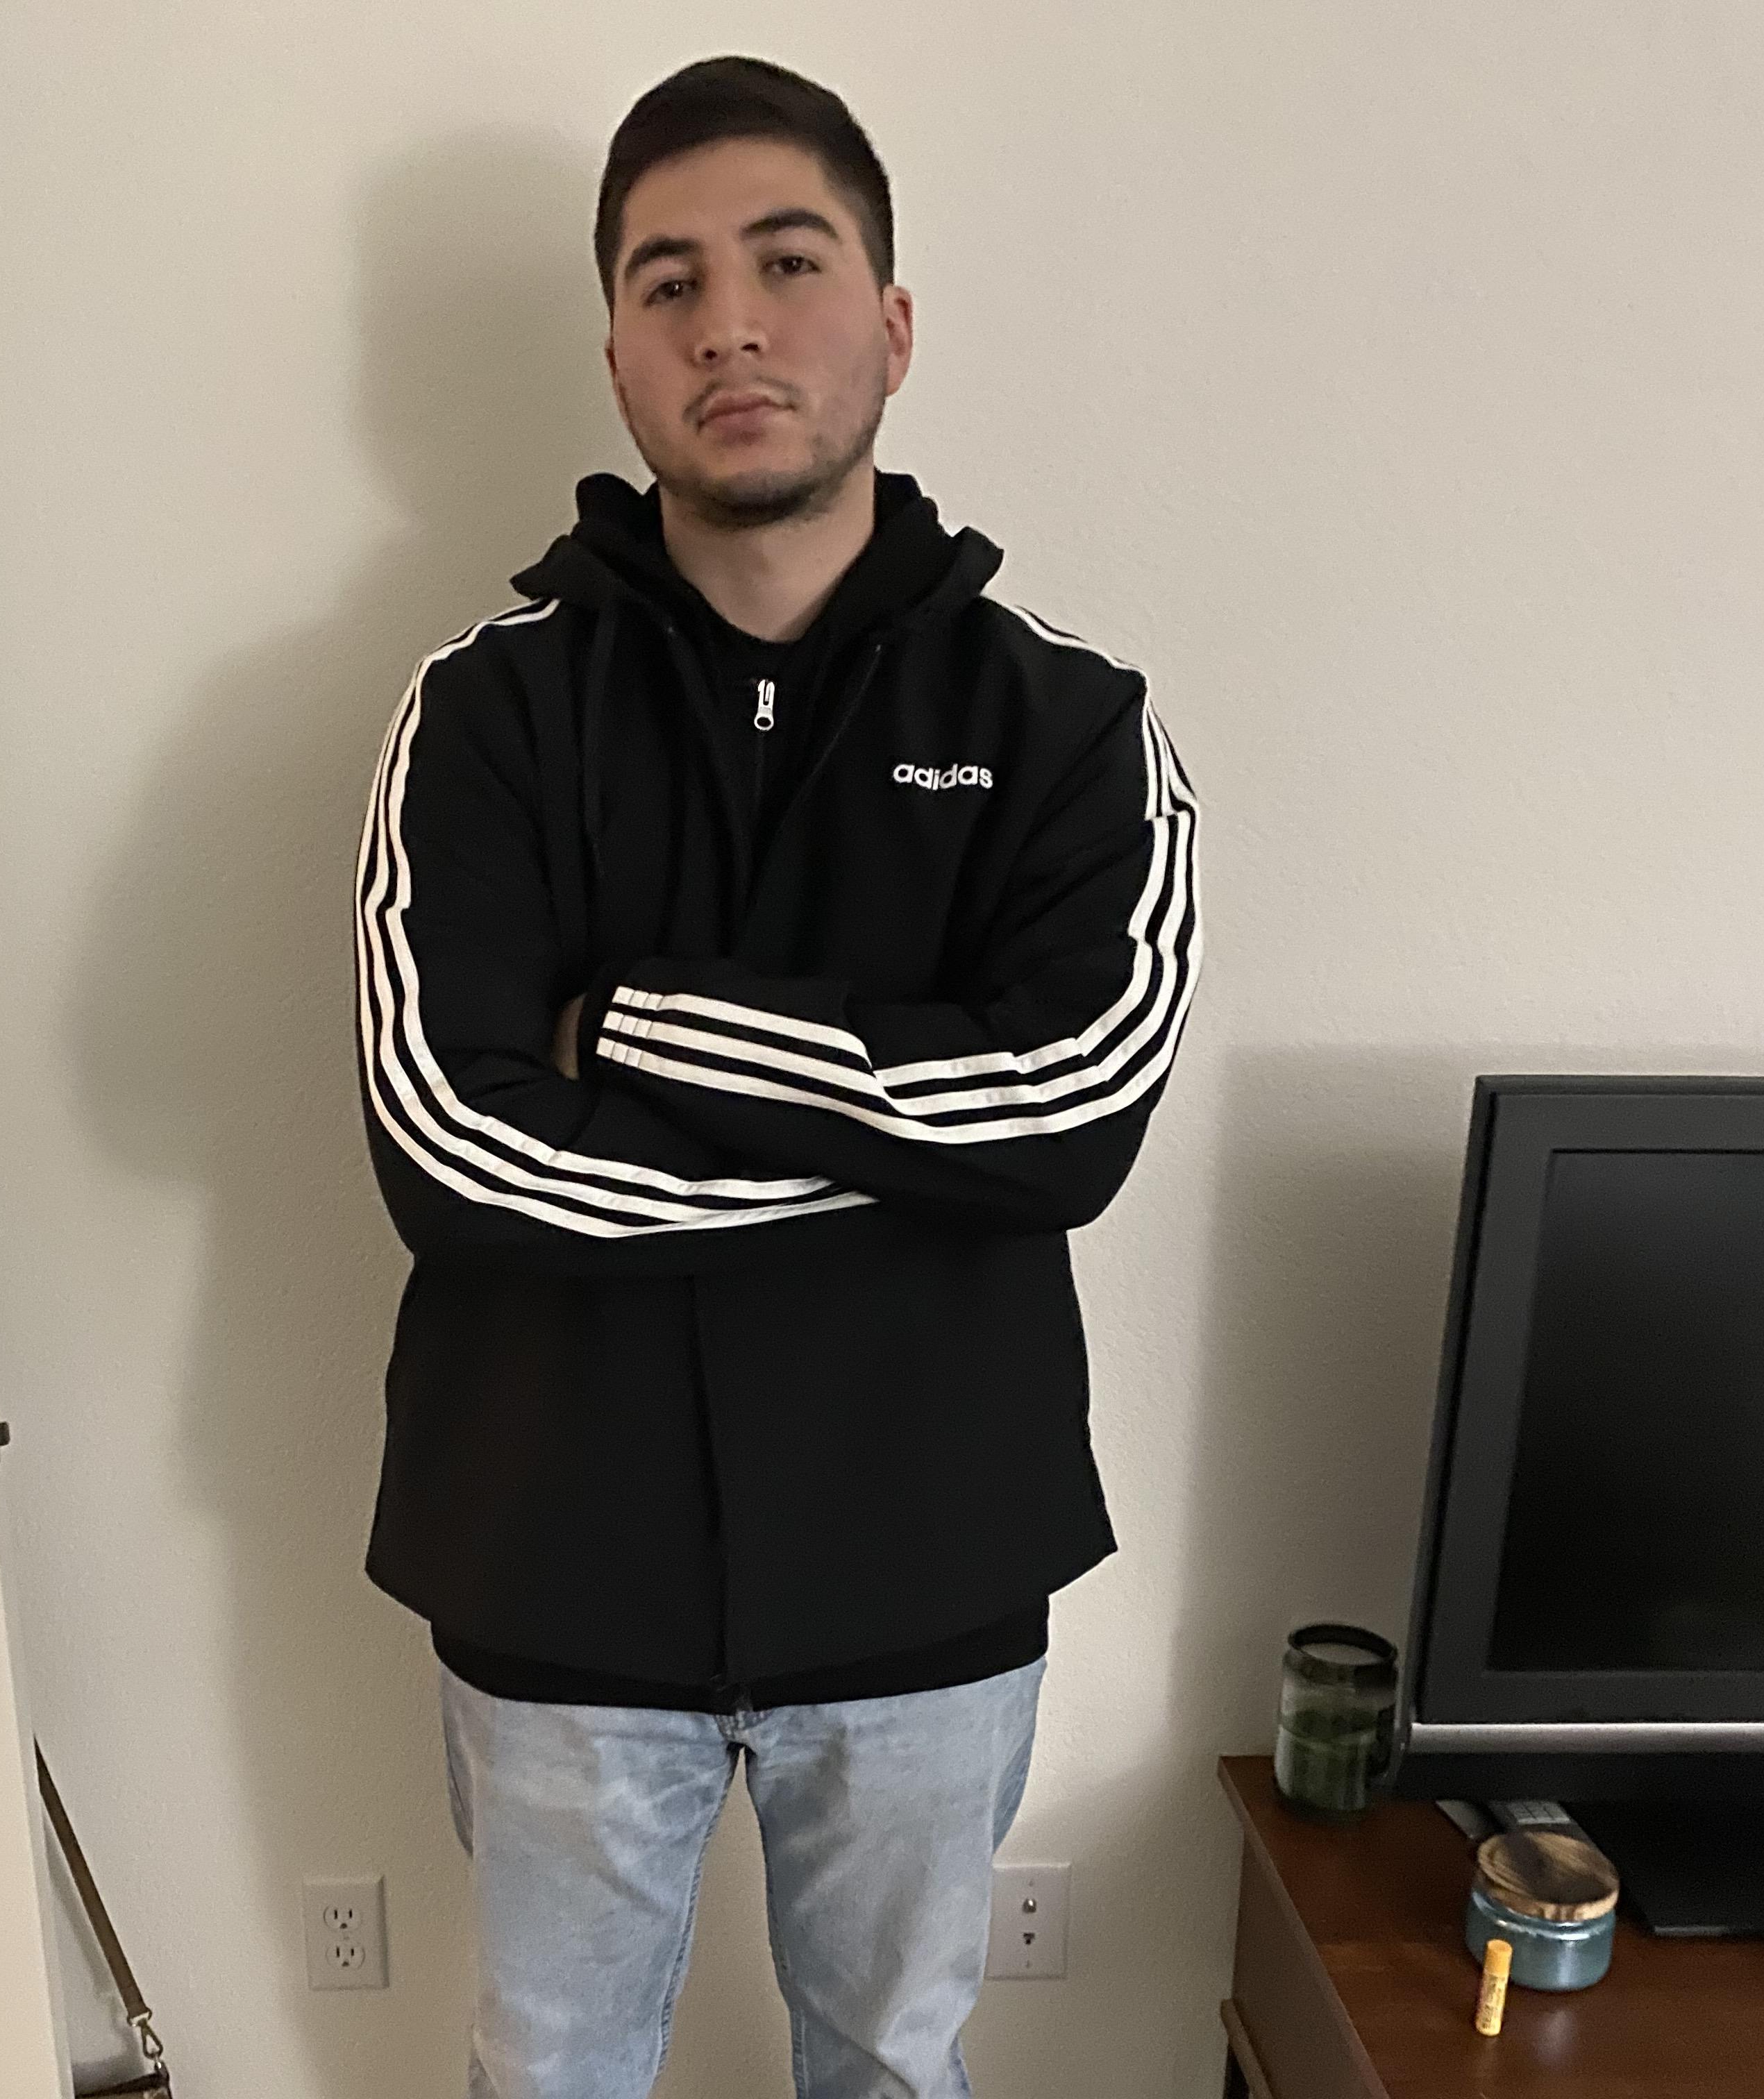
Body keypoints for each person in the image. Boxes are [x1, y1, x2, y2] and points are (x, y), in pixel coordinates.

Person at [353, 53, 1202, 2099]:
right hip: (551, 1564)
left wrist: (641, 1026)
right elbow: (452, 1149)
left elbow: (1072, 1114)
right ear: (619, 357)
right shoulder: (480, 716)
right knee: (548, 2072)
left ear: (891, 324)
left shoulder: (1072, 723)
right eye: (668, 283)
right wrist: (909, 1157)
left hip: (931, 1567)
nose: (728, 325)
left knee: (896, 2068)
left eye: (787, 263)